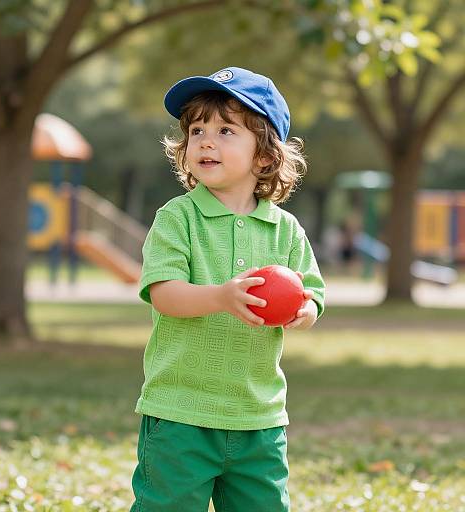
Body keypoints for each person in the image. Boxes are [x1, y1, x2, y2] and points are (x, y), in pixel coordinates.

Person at [130, 67, 325, 512]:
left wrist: (305, 310)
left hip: (259, 416)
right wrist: (221, 296)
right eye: (196, 129)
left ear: (264, 156)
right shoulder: (177, 217)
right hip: (180, 412)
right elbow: (164, 292)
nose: (205, 141)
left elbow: (311, 291)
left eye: (225, 130)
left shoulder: (285, 230)